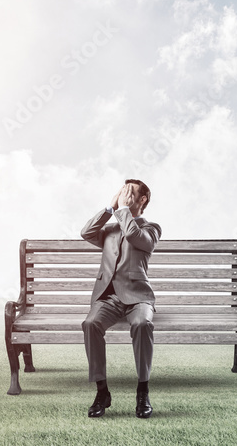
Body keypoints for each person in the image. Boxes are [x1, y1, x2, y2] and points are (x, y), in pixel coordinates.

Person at [80, 179, 162, 419]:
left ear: (142, 200)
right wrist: (110, 207)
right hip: (109, 298)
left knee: (143, 324)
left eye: (129, 192)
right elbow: (86, 232)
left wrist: (124, 210)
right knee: (90, 324)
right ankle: (102, 391)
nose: (124, 195)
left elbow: (135, 236)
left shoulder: (151, 228)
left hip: (138, 298)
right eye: (122, 191)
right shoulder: (109, 229)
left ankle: (143, 391)